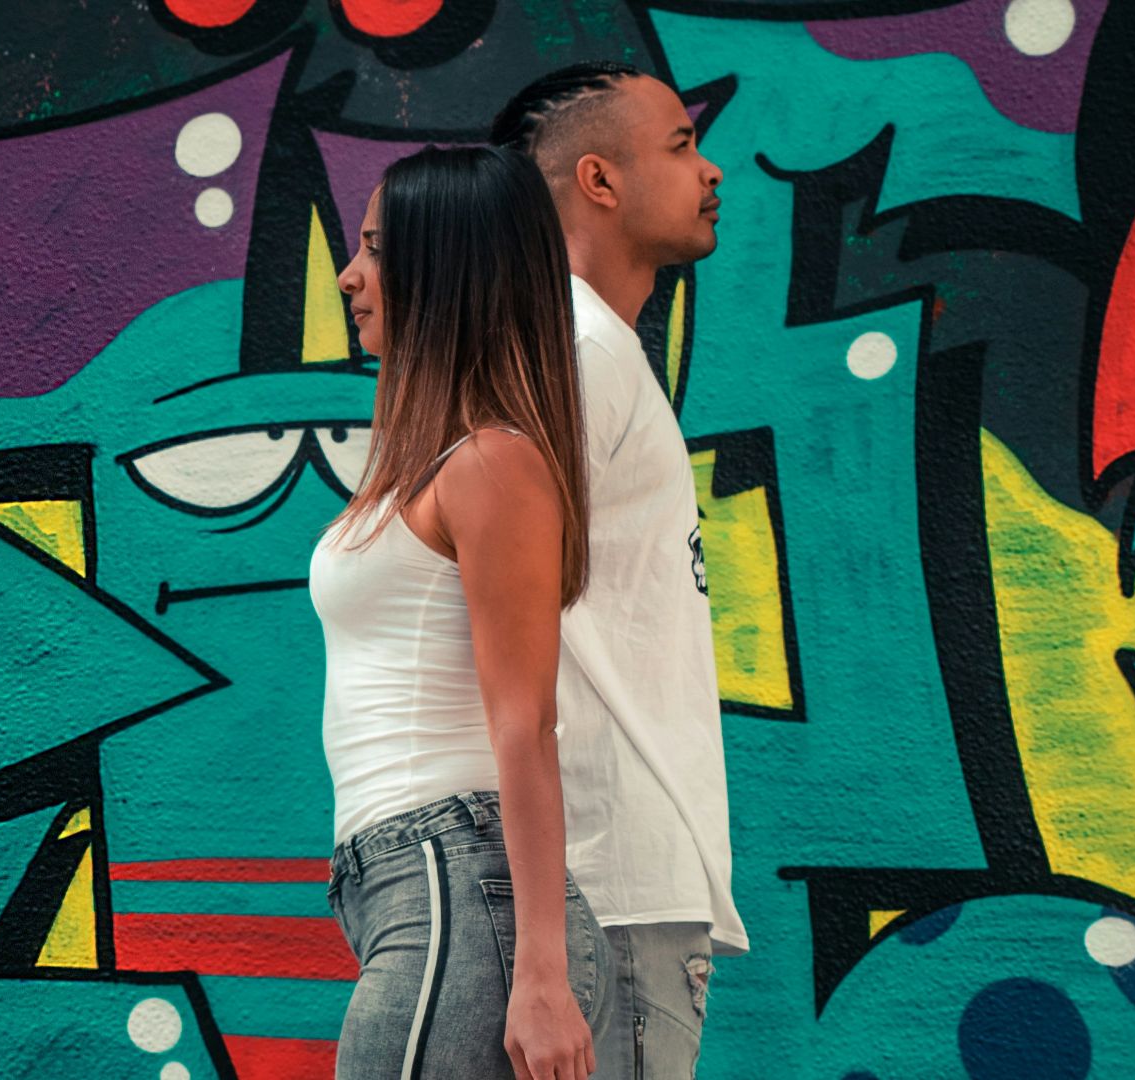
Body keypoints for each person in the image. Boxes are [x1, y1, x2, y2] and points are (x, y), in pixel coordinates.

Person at [313, 145, 607, 1080]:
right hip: (412, 890)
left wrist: (544, 976)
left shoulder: (492, 463)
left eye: (375, 250)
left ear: (446, 268)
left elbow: (527, 721)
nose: (349, 276)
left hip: (452, 884)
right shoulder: (431, 465)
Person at [491, 62, 747, 1078]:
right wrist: (544, 963)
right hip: (610, 896)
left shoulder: (587, 351)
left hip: (616, 896)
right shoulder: (575, 356)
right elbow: (494, 651)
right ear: (598, 180)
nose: (712, 168)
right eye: (681, 146)